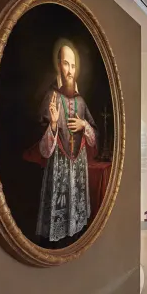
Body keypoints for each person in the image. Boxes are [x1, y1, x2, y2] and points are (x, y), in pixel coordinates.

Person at [29, 44, 98, 242]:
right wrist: (52, 124)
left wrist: (84, 125)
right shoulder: (51, 98)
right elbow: (41, 148)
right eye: (66, 64)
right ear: (59, 65)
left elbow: (94, 136)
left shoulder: (81, 102)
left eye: (73, 66)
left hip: (78, 165)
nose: (70, 71)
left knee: (77, 224)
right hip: (58, 164)